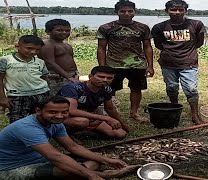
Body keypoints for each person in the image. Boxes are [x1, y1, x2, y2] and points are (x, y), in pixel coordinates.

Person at [0, 96, 140, 179]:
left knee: (95, 157)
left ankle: (90, 172)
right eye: (53, 112)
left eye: (64, 112)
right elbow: (56, 156)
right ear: (38, 111)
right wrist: (91, 175)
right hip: (10, 169)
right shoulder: (27, 128)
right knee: (69, 170)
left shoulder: (56, 122)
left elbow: (72, 147)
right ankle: (106, 175)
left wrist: (107, 160)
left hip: (41, 160)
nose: (60, 116)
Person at [97, 0, 154, 123]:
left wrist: (150, 65)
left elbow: (147, 47)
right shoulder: (106, 27)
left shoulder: (143, 27)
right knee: (110, 90)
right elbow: (101, 48)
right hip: (113, 64)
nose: (126, 14)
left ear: (134, 12)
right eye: (123, 11)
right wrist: (102, 67)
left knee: (136, 88)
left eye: (130, 11)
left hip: (137, 64)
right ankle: (110, 112)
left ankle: (134, 113)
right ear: (116, 12)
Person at [151, 0, 206, 124]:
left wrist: (187, 52)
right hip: (168, 63)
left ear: (186, 11)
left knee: (191, 89)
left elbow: (199, 42)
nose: (177, 12)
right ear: (167, 11)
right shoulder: (159, 27)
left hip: (189, 62)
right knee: (171, 87)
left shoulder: (196, 24)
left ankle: (194, 115)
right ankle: (174, 109)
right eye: (173, 10)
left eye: (181, 10)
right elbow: (159, 44)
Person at [57, 66, 131, 141]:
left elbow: (110, 109)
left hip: (89, 116)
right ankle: (65, 134)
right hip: (63, 116)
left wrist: (123, 125)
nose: (105, 80)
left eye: (109, 78)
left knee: (120, 134)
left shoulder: (106, 89)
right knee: (82, 122)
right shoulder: (73, 88)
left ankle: (88, 130)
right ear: (90, 76)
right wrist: (105, 118)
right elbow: (72, 111)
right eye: (101, 77)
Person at [0, 35, 50, 123]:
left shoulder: (40, 62)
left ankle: (39, 135)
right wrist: (2, 98)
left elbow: (44, 78)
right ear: (17, 46)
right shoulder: (6, 60)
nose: (33, 51)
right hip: (18, 96)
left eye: (37, 49)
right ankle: (18, 136)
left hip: (41, 94)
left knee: (41, 118)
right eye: (29, 48)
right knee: (18, 120)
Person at [38, 19, 79, 96]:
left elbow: (71, 60)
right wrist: (68, 77)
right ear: (48, 32)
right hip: (55, 77)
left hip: (71, 75)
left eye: (67, 30)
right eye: (59, 30)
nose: (64, 32)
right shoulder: (47, 45)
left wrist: (75, 73)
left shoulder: (67, 45)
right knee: (55, 98)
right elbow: (50, 63)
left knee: (70, 96)